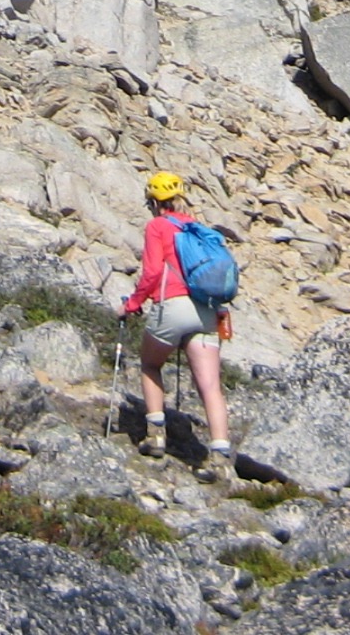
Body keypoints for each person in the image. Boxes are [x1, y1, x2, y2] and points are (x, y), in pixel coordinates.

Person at [118, 169, 234, 482]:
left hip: (173, 305)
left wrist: (133, 303)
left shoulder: (158, 226)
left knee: (150, 365)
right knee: (210, 386)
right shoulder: (197, 227)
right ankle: (221, 456)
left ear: (153, 201)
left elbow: (153, 271)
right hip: (208, 311)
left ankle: (156, 435)